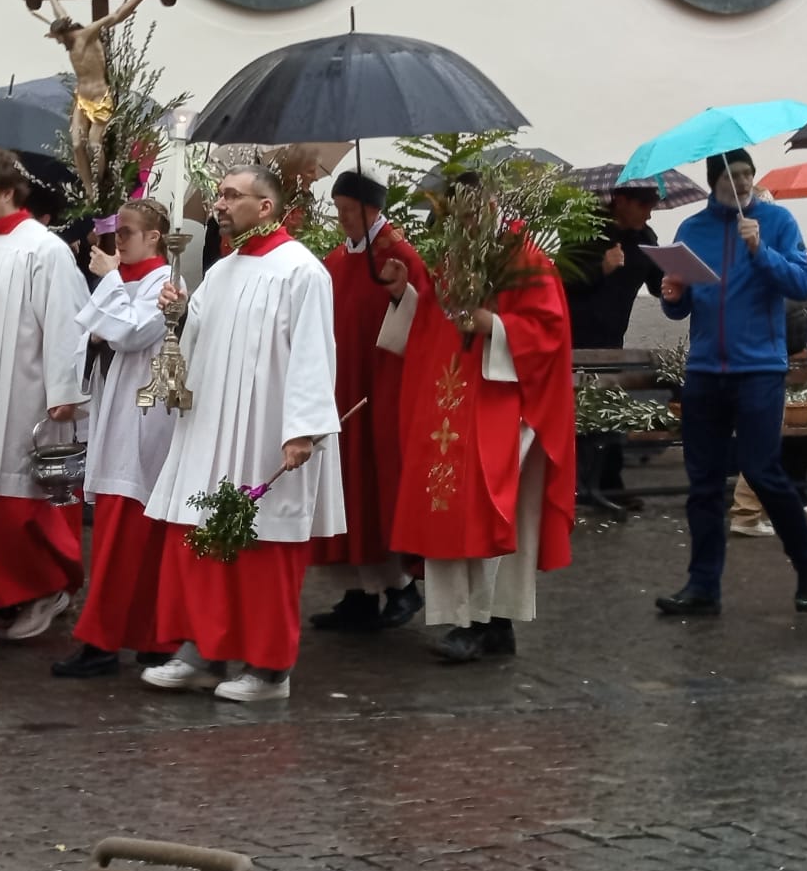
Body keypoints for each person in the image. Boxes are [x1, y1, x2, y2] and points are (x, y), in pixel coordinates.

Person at [141, 166, 343, 702]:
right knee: (200, 533)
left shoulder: (302, 271)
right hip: (211, 428)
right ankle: (203, 652)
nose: (220, 204)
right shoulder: (222, 271)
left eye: (232, 196)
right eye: (220, 196)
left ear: (266, 206)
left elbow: (314, 354)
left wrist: (303, 430)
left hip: (266, 430)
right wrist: (180, 317)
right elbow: (200, 343)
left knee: (263, 546)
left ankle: (270, 669)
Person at [379, 180, 577, 664]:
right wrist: (403, 293)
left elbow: (549, 333)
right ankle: (478, 623)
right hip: (448, 410)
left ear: (491, 205)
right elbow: (428, 326)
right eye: (456, 215)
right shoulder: (453, 262)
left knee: (491, 512)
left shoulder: (525, 259)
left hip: (499, 408)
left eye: (471, 213)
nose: (463, 222)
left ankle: (485, 622)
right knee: (451, 511)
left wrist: (495, 326)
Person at [655, 150, 807, 618]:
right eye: (735, 175)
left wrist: (760, 251)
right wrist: (673, 296)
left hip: (760, 368)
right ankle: (702, 586)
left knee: (762, 470)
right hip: (705, 369)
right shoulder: (692, 230)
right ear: (716, 181)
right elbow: (680, 306)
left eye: (749, 174)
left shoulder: (777, 222)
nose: (745, 182)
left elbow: (803, 285)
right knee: (703, 483)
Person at [0, 148, 89, 641]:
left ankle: (46, 589)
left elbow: (67, 323)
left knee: (21, 505)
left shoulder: (44, 250)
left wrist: (65, 392)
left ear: (8, 192)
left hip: (23, 394)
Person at [54, 199, 178, 678]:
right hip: (116, 413)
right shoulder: (128, 282)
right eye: (116, 232)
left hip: (144, 421)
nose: (117, 241)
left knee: (129, 538)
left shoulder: (167, 283)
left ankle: (107, 640)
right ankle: (144, 636)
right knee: (118, 536)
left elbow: (128, 333)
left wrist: (107, 282)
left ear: (154, 237)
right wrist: (99, 325)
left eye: (126, 232)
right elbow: (91, 334)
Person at [310, 171, 431, 631]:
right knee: (346, 488)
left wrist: (401, 294)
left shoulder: (398, 256)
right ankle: (357, 593)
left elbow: (425, 319)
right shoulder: (337, 260)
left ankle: (402, 587)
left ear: (373, 209)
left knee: (378, 486)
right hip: (341, 386)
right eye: (338, 209)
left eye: (350, 210)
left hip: (383, 389)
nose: (342, 218)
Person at [560, 183, 665, 513]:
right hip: (574, 338)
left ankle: (609, 486)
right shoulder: (586, 230)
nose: (650, 213)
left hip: (612, 341)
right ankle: (570, 487)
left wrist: (678, 280)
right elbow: (560, 281)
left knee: (610, 411)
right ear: (621, 201)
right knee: (576, 416)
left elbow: (659, 283)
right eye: (644, 205)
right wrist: (600, 269)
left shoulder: (645, 238)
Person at [31, 0, 153, 202]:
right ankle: (89, 190)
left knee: (95, 145)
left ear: (65, 33)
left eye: (58, 39)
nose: (58, 43)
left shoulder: (86, 35)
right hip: (82, 97)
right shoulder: (69, 41)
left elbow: (116, 16)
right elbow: (60, 13)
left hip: (99, 97)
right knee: (78, 143)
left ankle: (99, 186)